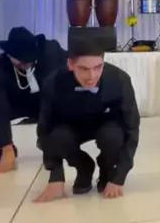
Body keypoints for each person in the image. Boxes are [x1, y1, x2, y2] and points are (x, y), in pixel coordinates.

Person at [34, 40, 140, 202]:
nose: (92, 77)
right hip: (70, 124)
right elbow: (45, 127)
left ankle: (106, 170)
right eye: (84, 69)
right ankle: (84, 166)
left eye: (98, 67)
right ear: (70, 65)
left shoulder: (119, 79)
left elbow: (131, 127)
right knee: (56, 137)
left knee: (114, 137)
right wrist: (56, 175)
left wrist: (119, 176)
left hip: (106, 124)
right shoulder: (53, 81)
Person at [0, 26, 66, 172]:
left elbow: (73, 65)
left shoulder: (51, 51)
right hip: (14, 103)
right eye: (21, 61)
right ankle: (6, 150)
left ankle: (49, 142)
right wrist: (6, 146)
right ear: (9, 55)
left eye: (29, 60)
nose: (26, 65)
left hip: (45, 100)